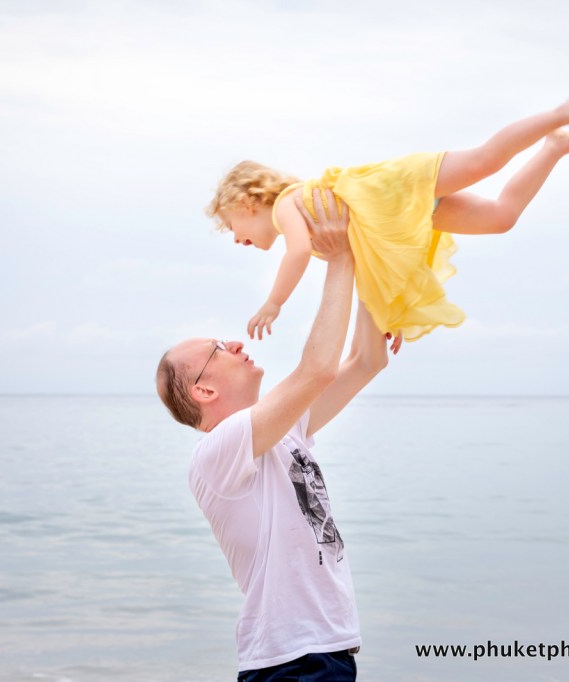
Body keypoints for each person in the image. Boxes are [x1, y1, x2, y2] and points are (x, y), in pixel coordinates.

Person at [157, 190, 389, 681]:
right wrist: (340, 256)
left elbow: (367, 361)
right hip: (292, 661)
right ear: (204, 389)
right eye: (219, 347)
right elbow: (317, 370)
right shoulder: (215, 454)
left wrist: (374, 278)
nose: (236, 341)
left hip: (323, 651)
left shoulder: (287, 434)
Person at [205, 97, 569, 344]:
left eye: (230, 227)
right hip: (407, 212)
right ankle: (554, 147)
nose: (236, 239)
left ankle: (557, 115)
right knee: (501, 218)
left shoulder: (287, 205)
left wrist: (274, 303)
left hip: (398, 187)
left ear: (246, 202)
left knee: (485, 160)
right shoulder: (312, 224)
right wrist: (387, 317)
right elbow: (368, 266)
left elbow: (297, 252)